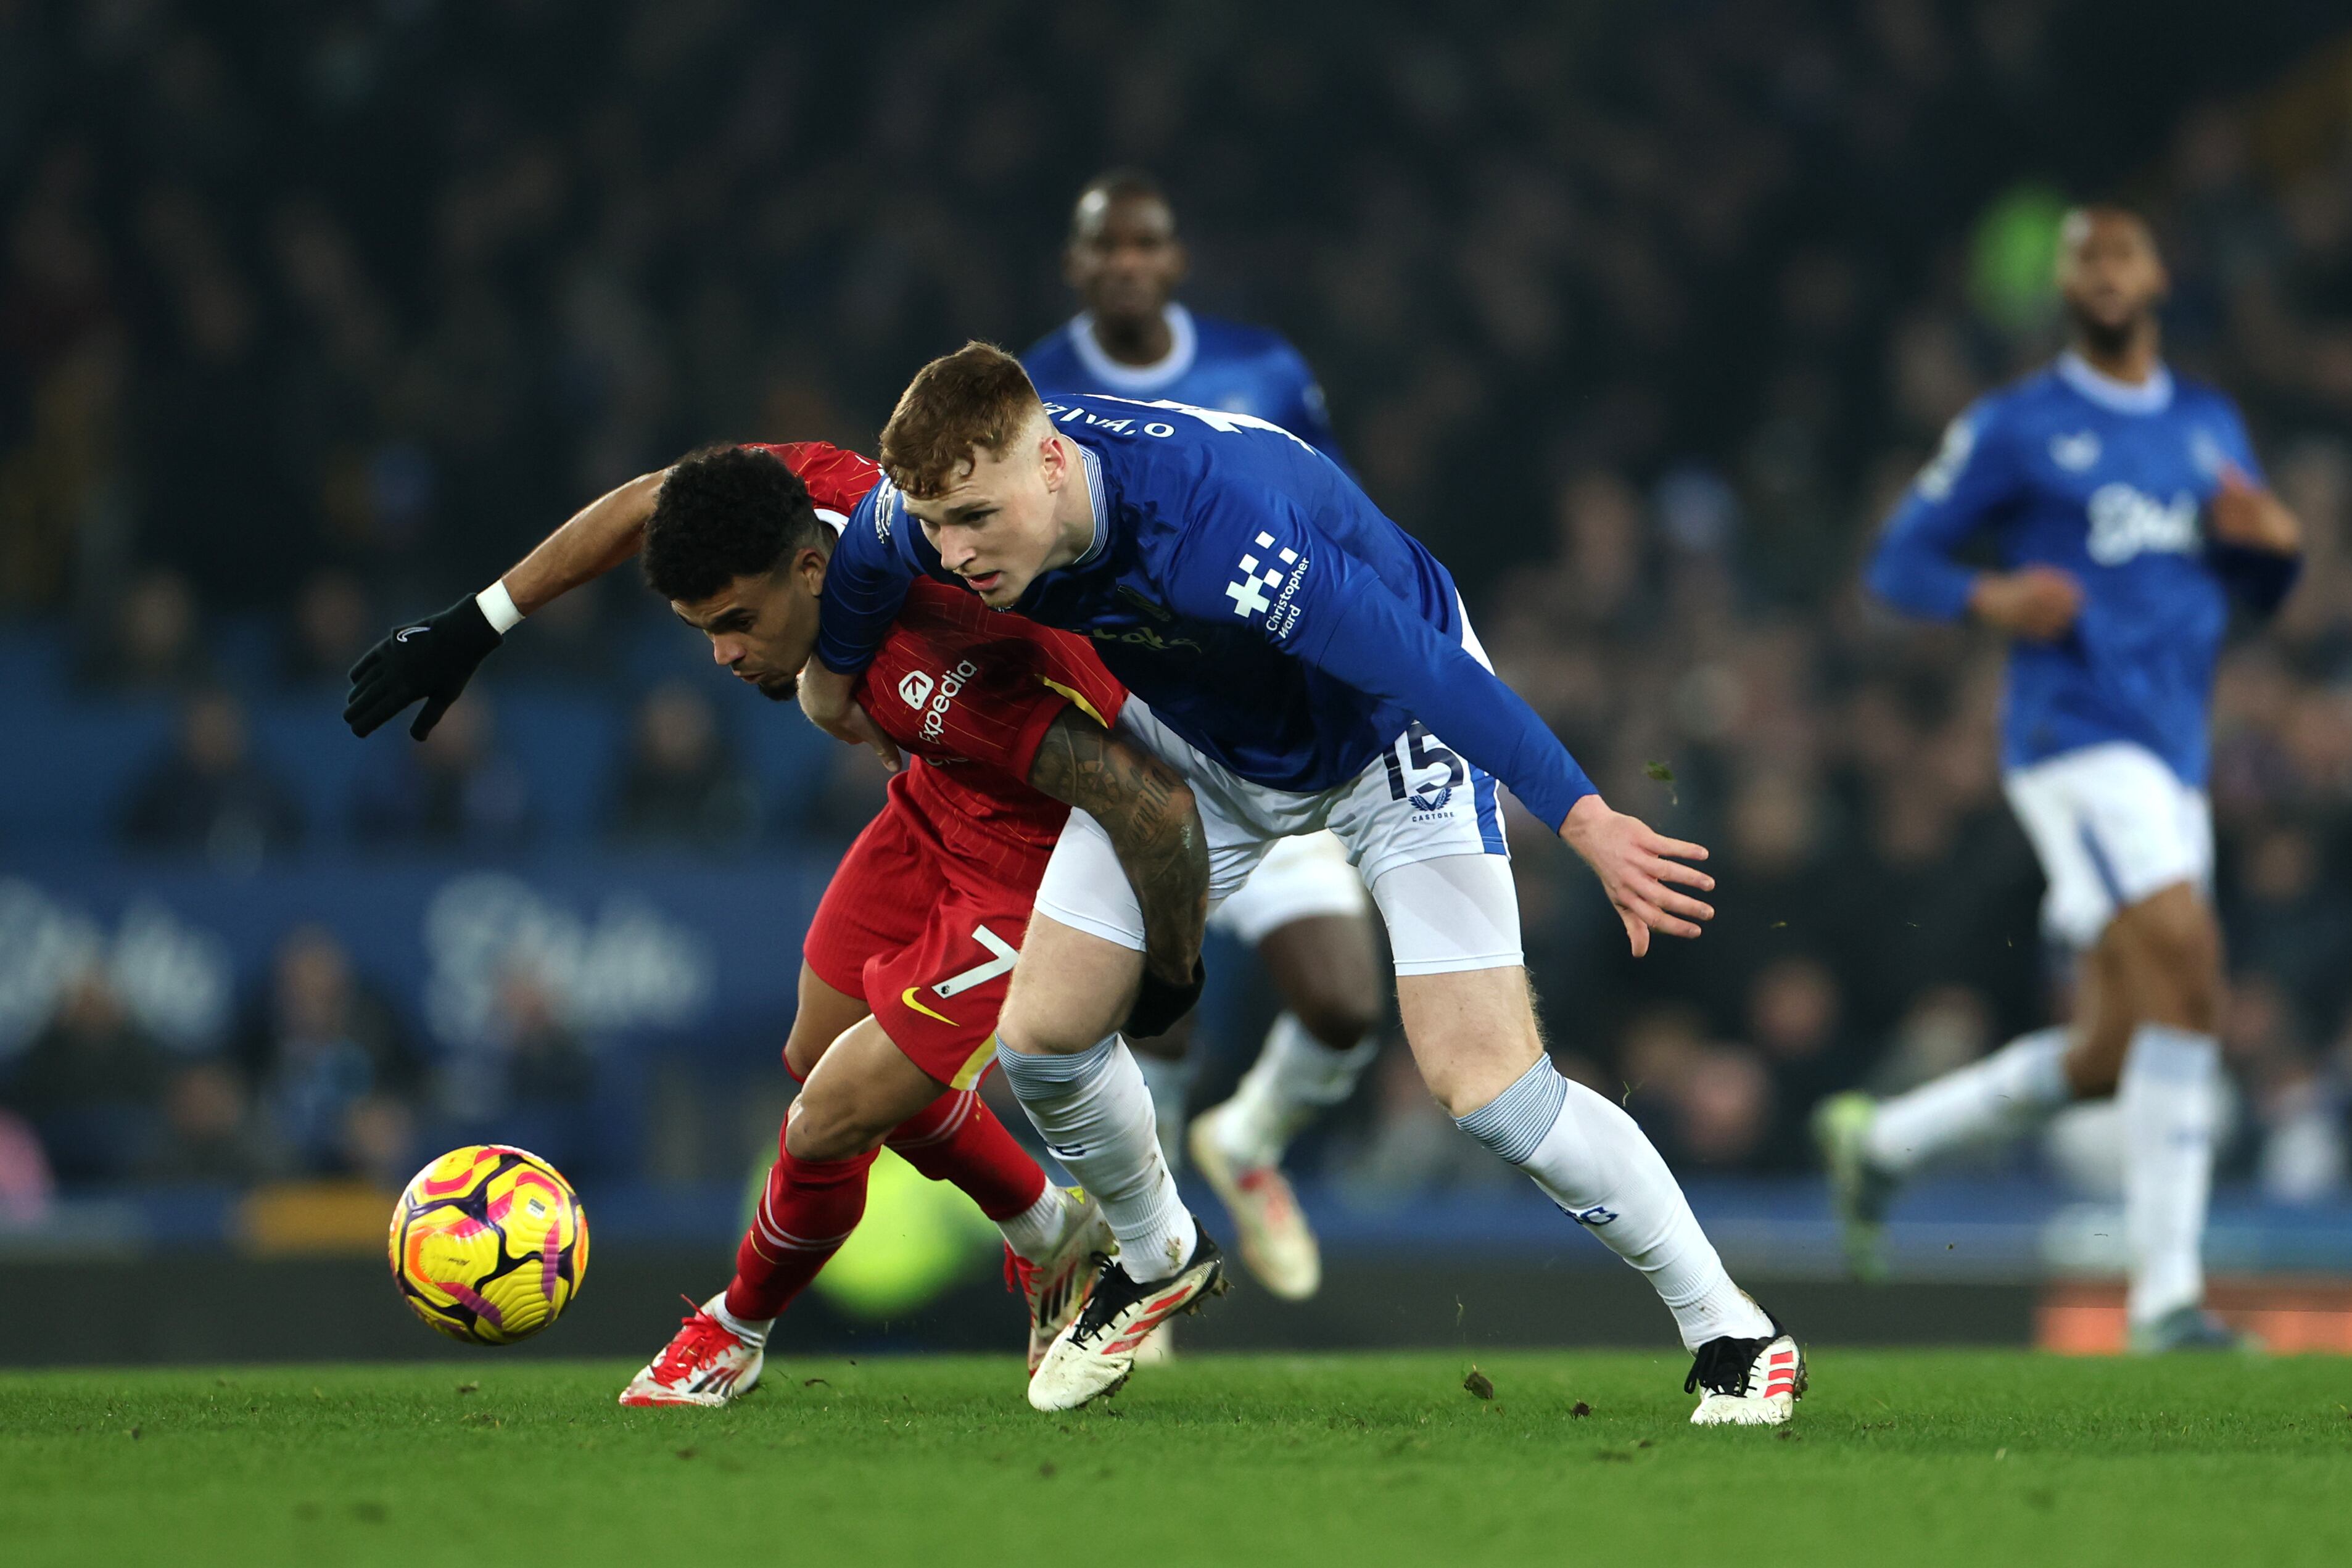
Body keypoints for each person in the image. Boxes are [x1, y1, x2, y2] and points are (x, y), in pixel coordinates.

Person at [804, 343, 1802, 1422]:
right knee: (1042, 1036)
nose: (952, 554)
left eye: (974, 521)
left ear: (1050, 464)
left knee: (1491, 1090)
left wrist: (1583, 814)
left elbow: (1422, 666)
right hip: (1200, 745)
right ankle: (1156, 1256)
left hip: (1385, 737)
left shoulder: (1224, 535)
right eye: (937, 524)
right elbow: (863, 569)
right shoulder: (930, 507)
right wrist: (827, 685)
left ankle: (1731, 1330)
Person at [344, 439, 1213, 1405]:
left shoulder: (933, 643)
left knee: (830, 1114)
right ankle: (1051, 1234)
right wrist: (479, 622)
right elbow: (649, 497)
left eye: (737, 623)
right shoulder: (813, 490)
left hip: (1039, 861)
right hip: (940, 803)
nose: (721, 655)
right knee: (820, 1048)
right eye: (701, 629)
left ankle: (733, 1329)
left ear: (809, 573)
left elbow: (1141, 792)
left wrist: (1169, 959)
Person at [1822, 206, 2303, 1352]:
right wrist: (1989, 598)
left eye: (2120, 255)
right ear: (2062, 284)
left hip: (2174, 747)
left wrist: (2273, 548)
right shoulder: (2018, 424)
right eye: (2081, 260)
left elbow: (2254, 587)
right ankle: (2168, 1299)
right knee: (2191, 962)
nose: (2102, 275)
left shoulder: (2205, 422)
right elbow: (1897, 557)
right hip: (2072, 739)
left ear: (2154, 273)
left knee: (2113, 1045)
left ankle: (1882, 1146)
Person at [1022, 169, 1384, 1305]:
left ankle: (1251, 1143)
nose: (1126, 264)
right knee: (1156, 1017)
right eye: (1104, 248)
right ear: (1077, 266)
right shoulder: (1036, 387)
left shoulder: (1263, 368)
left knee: (1342, 1005)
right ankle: (1152, 1248)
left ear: (1174, 259)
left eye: (1145, 245)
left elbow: (1332, 509)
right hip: (1143, 738)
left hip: (1279, 738)